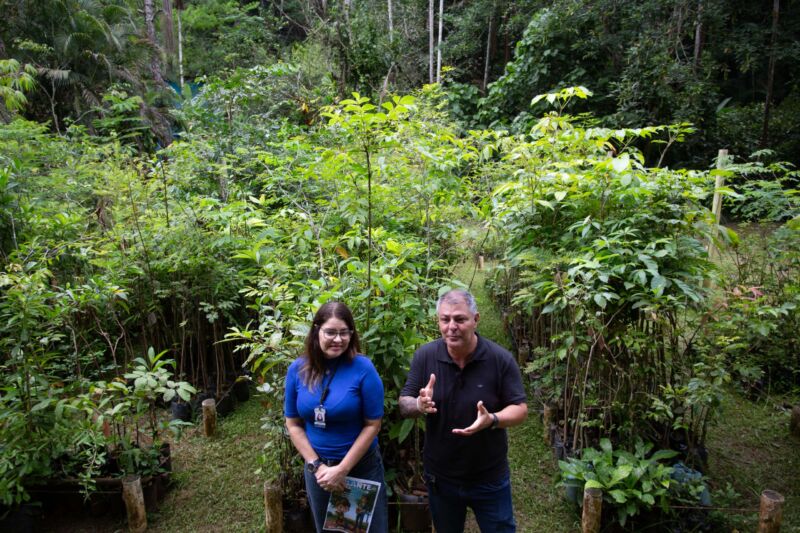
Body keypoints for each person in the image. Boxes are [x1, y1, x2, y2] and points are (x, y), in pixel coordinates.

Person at [399, 289, 528, 533]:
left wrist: (492, 419)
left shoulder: (500, 359)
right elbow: (404, 402)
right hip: (441, 477)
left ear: (476, 319)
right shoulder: (425, 356)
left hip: (489, 476)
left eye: (460, 319)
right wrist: (418, 404)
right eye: (444, 319)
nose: (451, 327)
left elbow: (520, 409)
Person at [284, 302, 388, 533]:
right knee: (330, 530)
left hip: (360, 468)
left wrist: (342, 469)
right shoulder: (297, 370)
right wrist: (316, 466)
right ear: (316, 331)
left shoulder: (363, 368)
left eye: (344, 332)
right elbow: (293, 424)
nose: (338, 339)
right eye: (330, 332)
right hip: (319, 473)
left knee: (367, 528)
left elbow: (373, 425)